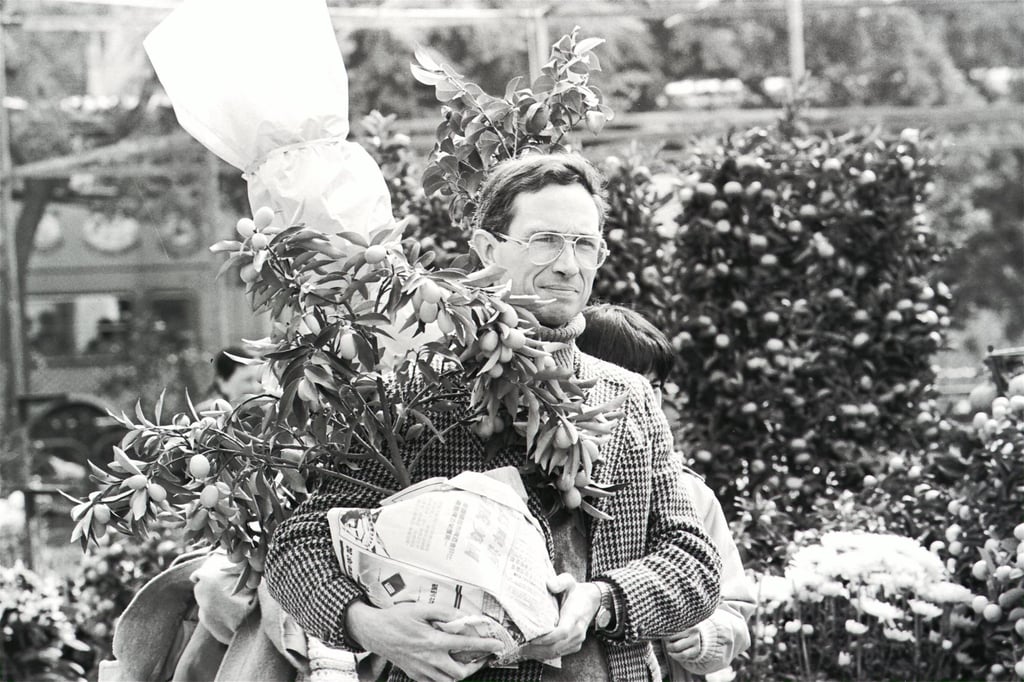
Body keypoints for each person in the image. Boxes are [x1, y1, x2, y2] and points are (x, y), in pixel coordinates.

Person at [264, 153, 722, 682]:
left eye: (584, 244)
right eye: (545, 239)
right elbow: (298, 540)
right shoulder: (415, 395)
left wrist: (602, 599)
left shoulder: (628, 396)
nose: (568, 265)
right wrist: (369, 625)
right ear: (487, 249)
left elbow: (694, 562)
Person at [579, 303, 755, 680]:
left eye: (653, 386)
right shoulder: (559, 486)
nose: (644, 400)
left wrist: (707, 634)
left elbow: (733, 602)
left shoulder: (688, 492)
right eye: (624, 383)